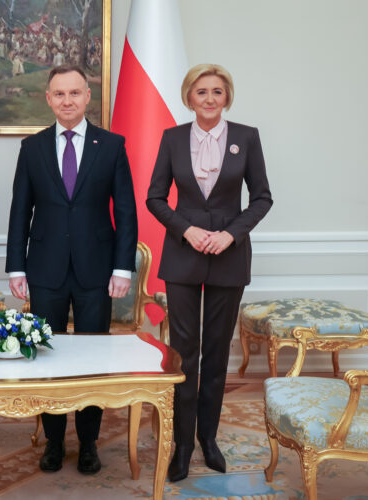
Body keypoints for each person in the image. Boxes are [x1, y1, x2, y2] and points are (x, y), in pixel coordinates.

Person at [6, 65, 138, 474]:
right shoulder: (32, 147)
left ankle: (88, 443)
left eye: (74, 93)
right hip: (44, 270)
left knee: (90, 360)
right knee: (47, 359)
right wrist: (15, 268)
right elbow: (19, 212)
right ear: (48, 99)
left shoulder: (112, 145)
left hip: (96, 271)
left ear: (87, 98)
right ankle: (53, 442)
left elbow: (127, 213)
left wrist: (122, 269)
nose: (67, 101)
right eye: (59, 94)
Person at [146, 64, 272, 482]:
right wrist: (188, 229)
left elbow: (261, 198)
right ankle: (182, 447)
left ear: (227, 97)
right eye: (202, 91)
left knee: (217, 352)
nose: (210, 98)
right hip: (183, 255)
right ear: (189, 97)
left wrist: (230, 236)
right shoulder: (172, 138)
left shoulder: (246, 137)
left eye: (218, 91)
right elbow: (155, 198)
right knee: (185, 352)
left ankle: (209, 440)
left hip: (228, 256)